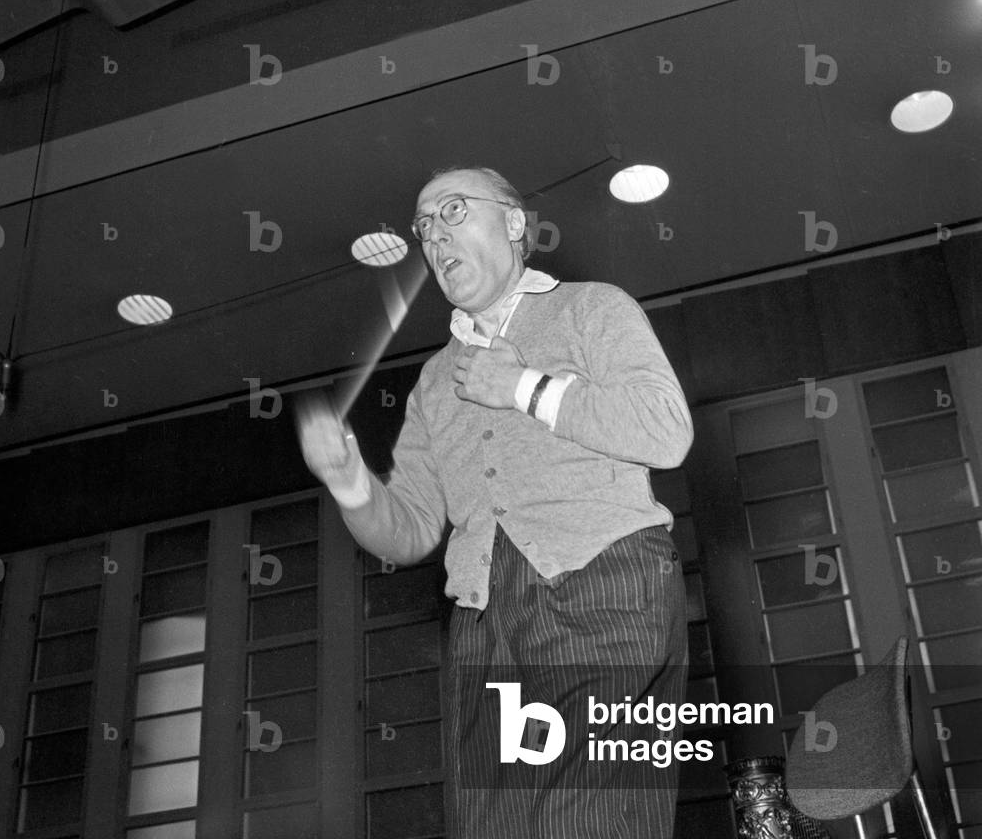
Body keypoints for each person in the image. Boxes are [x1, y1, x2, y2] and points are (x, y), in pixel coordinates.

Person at [296, 165, 693, 839]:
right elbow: (415, 529)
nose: (433, 236)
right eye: (424, 227)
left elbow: (667, 431)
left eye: (452, 211)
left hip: (605, 589)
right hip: (485, 621)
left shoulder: (592, 308)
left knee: (587, 820)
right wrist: (350, 482)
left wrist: (525, 388)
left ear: (513, 224)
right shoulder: (431, 383)